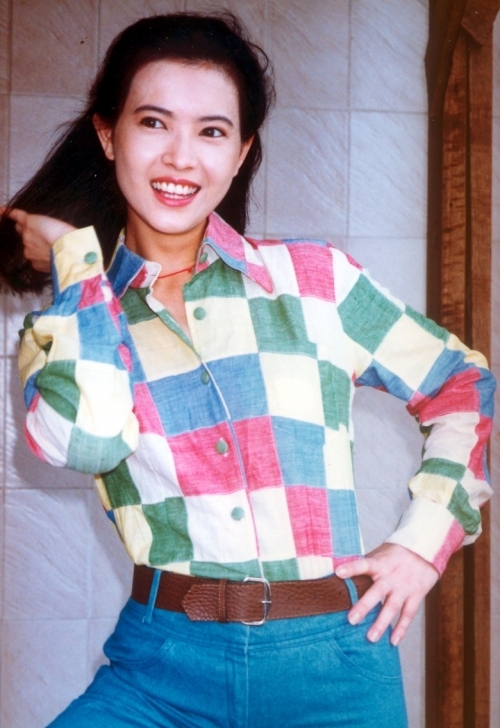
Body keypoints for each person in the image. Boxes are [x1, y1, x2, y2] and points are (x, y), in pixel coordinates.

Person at [0, 12, 494, 728]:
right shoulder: (71, 325)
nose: (181, 157)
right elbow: (89, 440)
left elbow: (461, 382)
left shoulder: (317, 282)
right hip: (159, 672)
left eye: (212, 131)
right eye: (153, 123)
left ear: (240, 153)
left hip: (334, 670)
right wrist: (77, 264)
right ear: (108, 136)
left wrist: (422, 542)